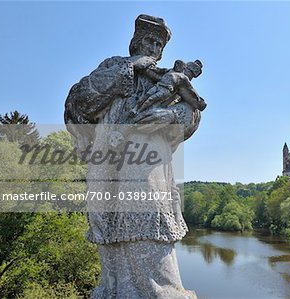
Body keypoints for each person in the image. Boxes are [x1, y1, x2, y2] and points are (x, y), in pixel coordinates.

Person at [64, 14, 202, 299]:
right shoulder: (114, 67)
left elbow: (193, 113)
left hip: (149, 160)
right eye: (149, 41)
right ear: (135, 43)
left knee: (149, 218)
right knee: (108, 223)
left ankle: (162, 291)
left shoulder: (167, 80)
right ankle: (114, 290)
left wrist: (170, 115)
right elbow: (78, 101)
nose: (154, 48)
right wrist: (129, 67)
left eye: (159, 44)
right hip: (108, 162)